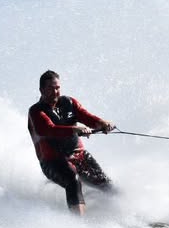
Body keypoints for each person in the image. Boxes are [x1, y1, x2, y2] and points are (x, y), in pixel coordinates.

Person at [27, 70, 116, 215]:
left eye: (57, 88)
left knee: (107, 185)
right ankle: (78, 225)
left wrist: (102, 123)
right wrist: (75, 129)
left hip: (79, 156)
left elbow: (87, 118)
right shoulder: (36, 112)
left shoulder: (69, 102)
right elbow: (49, 130)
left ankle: (119, 215)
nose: (55, 91)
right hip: (53, 161)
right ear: (41, 90)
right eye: (51, 88)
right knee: (73, 180)